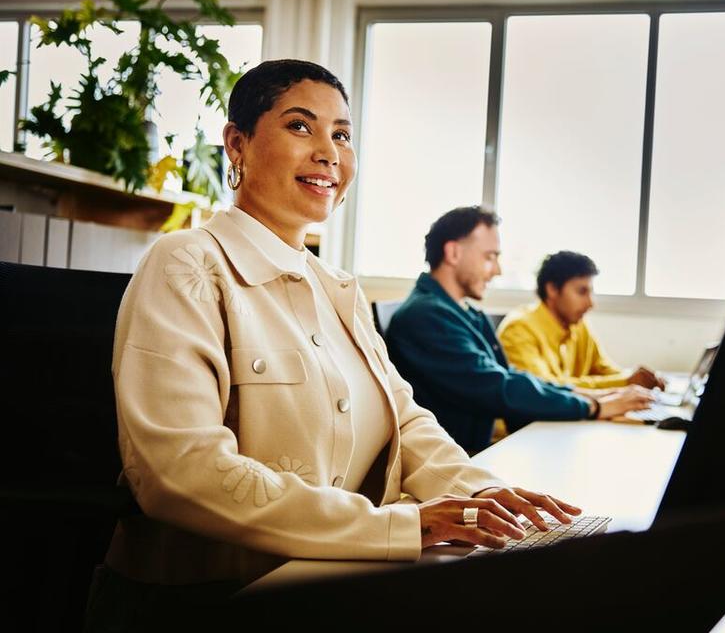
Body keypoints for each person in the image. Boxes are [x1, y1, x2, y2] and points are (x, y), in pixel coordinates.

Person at [88, 60, 581, 627]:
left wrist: (490, 502)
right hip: (200, 603)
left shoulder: (338, 288)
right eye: (301, 127)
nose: (329, 152)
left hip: (323, 584)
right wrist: (400, 527)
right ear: (237, 143)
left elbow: (408, 422)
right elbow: (179, 471)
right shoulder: (185, 264)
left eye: (342, 135)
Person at [385, 207, 654, 454]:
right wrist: (594, 407)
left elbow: (509, 376)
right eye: (490, 257)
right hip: (460, 460)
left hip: (475, 453)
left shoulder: (462, 313)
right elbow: (499, 388)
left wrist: (592, 396)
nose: (498, 270)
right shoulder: (427, 315)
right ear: (453, 253)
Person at [498, 250, 666, 390]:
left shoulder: (577, 324)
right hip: (526, 428)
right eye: (581, 292)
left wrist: (636, 379)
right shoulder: (519, 329)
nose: (590, 303)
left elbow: (602, 368)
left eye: (590, 292)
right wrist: (624, 382)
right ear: (552, 289)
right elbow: (545, 389)